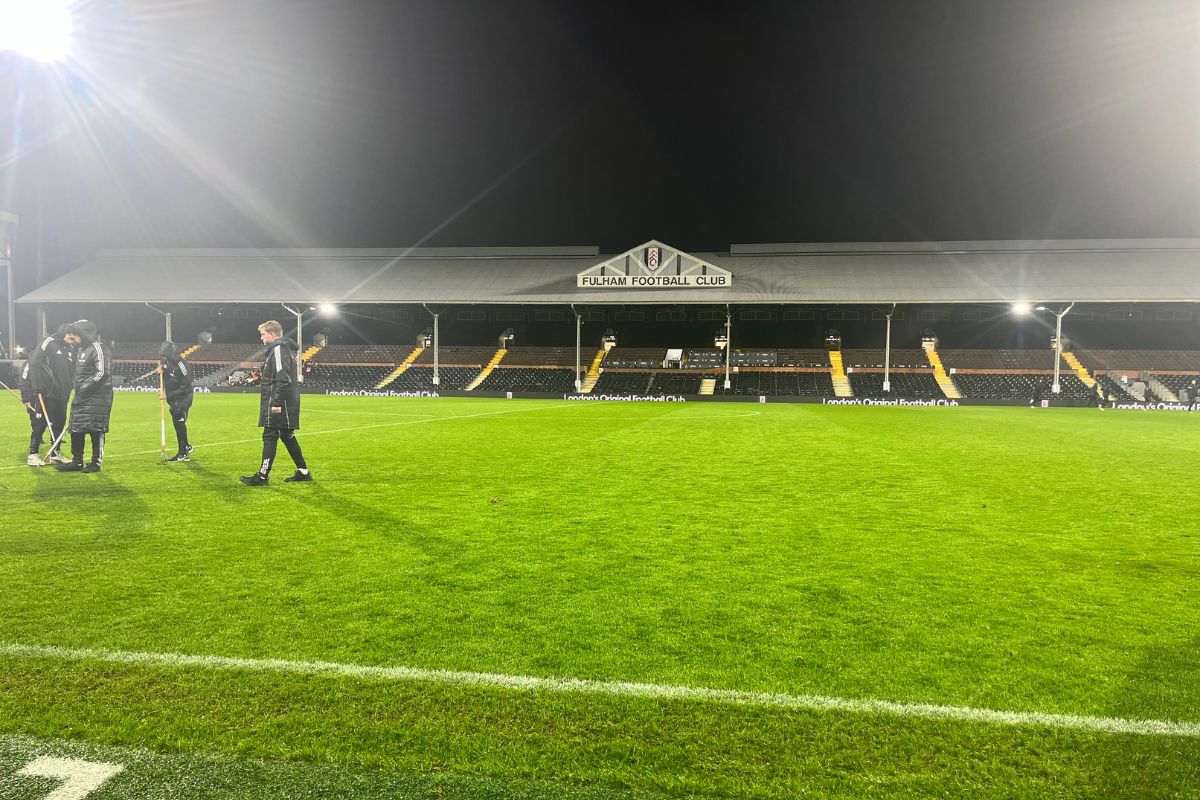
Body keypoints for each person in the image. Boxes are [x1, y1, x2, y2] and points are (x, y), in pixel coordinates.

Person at [240, 320, 312, 485]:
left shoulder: (279, 349)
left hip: (280, 402)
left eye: (263, 334)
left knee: (270, 435)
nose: (261, 337)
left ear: (272, 334)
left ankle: (262, 476)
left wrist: (276, 403)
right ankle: (303, 471)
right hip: (286, 401)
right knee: (287, 435)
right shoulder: (281, 349)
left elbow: (282, 377)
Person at [56, 320, 113, 474]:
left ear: (84, 334)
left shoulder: (98, 348)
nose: (72, 341)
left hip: (98, 398)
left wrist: (84, 388)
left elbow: (102, 373)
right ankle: (77, 461)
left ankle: (96, 463)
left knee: (96, 429)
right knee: (76, 428)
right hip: (81, 396)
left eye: (74, 337)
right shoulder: (80, 350)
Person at [20, 323, 76, 465]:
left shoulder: (70, 348)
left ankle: (55, 453)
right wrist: (37, 389)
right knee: (40, 424)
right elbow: (34, 363)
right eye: (70, 333)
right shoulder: (49, 342)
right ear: (63, 332)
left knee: (59, 424)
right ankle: (33, 454)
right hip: (48, 394)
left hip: (63, 395)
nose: (73, 336)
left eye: (74, 334)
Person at [157, 341, 195, 462]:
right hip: (173, 400)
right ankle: (186, 446)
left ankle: (183, 453)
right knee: (177, 422)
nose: (163, 357)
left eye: (165, 355)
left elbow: (186, 387)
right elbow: (166, 373)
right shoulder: (167, 362)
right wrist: (161, 370)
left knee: (179, 423)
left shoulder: (182, 366)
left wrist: (167, 394)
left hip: (184, 398)